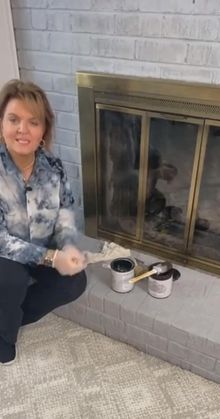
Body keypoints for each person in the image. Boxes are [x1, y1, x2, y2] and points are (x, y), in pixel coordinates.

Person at [0, 79, 87, 365]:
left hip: (39, 246)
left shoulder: (54, 168)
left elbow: (65, 213)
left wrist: (69, 246)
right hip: (4, 253)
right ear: (2, 124)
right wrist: (49, 256)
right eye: (13, 119)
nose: (22, 130)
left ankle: (11, 315)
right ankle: (4, 334)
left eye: (33, 122)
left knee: (74, 283)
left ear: (44, 130)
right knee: (11, 279)